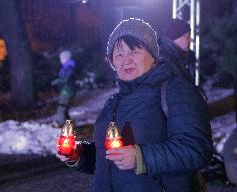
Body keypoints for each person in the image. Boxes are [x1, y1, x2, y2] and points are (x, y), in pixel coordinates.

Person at [56, 18, 213, 192]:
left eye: (134, 51)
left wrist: (141, 157)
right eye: (119, 54)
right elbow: (110, 159)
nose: (126, 60)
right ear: (113, 62)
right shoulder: (113, 103)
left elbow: (197, 150)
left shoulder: (175, 89)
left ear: (153, 55)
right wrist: (78, 155)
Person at [51, 50, 77, 126]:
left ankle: (59, 122)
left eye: (62, 58)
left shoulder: (68, 67)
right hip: (66, 90)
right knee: (64, 107)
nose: (61, 60)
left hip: (67, 90)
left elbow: (65, 79)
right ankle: (68, 123)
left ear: (66, 58)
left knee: (62, 107)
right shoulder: (67, 67)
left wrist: (55, 82)